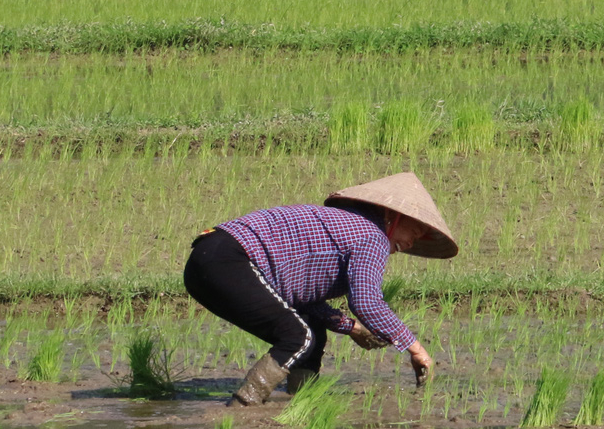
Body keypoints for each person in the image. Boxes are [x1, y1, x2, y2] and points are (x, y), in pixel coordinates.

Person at [184, 173, 453, 405]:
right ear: (394, 217)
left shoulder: (349, 228)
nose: (410, 243)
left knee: (310, 326)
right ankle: (244, 407)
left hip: (206, 258)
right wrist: (415, 348)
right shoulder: (372, 236)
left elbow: (304, 301)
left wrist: (352, 328)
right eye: (413, 232)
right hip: (232, 257)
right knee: (297, 336)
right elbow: (367, 302)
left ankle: (301, 401)